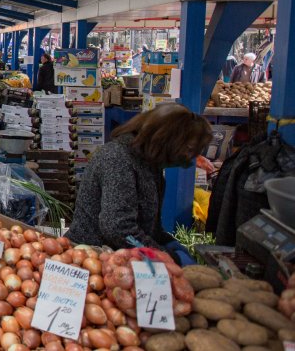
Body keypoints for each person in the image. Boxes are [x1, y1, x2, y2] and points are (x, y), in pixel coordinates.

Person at [66, 104, 212, 264]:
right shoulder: (117, 159)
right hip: (90, 260)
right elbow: (117, 227)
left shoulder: (150, 166)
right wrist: (166, 257)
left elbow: (150, 227)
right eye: (189, 149)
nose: (188, 158)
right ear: (167, 140)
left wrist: (167, 242)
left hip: (119, 261)